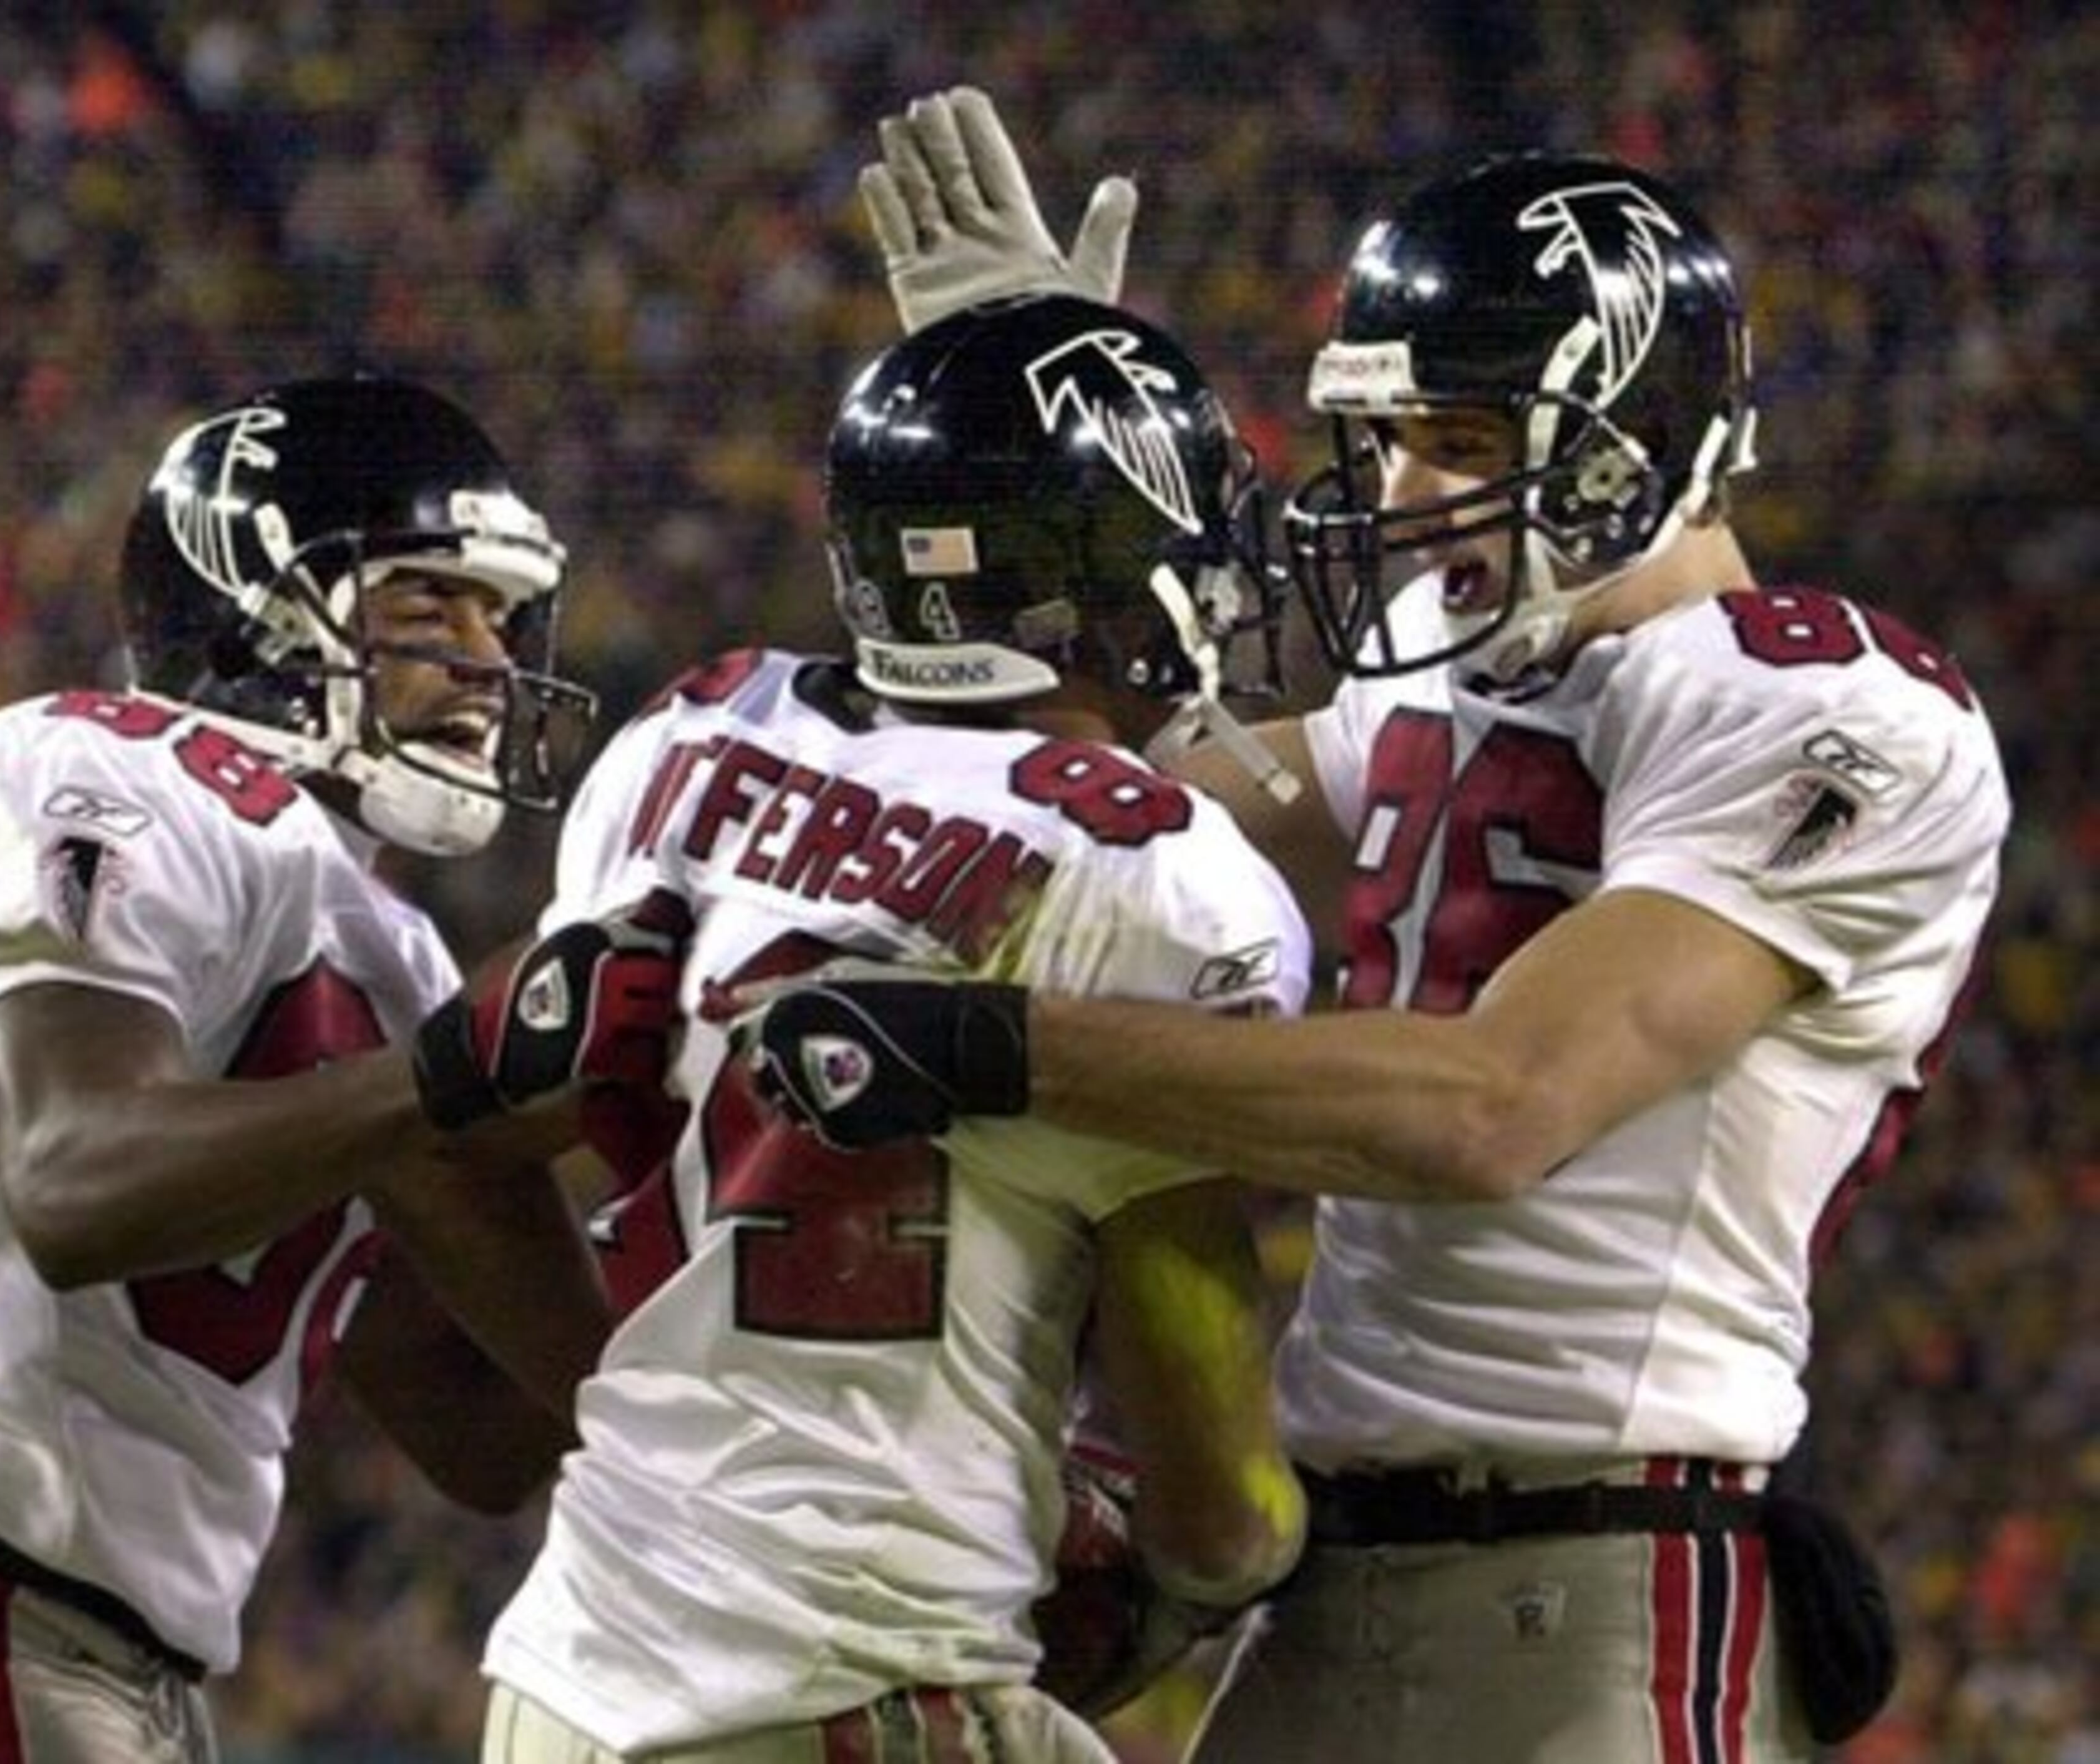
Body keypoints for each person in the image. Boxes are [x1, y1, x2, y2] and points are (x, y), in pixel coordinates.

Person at [740, 91, 2013, 1762]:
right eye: (1392, 434)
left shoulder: (1824, 710)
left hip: (1596, 1582)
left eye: (1462, 443)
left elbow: (1497, 1111)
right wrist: (1042, 445)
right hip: (1328, 1574)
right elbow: (1133, 809)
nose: (1402, 490)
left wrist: (992, 1047)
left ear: (1641, 439)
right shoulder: (1442, 639)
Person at [0, 374, 670, 1763]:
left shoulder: (387, 950)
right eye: (429, 609)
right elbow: (77, 1184)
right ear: (261, 613)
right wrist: (451, 1074)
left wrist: (691, 1154)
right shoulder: (94, 763)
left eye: (502, 620)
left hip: (112, 1660)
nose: (491, 661)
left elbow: (498, 1434)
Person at [477, 291, 1311, 1764]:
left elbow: (493, 1120)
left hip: (573, 1664)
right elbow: (1221, 1509)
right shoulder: (1148, 874)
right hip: (854, 1692)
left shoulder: (691, 736)